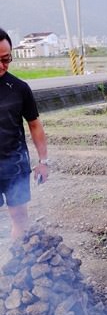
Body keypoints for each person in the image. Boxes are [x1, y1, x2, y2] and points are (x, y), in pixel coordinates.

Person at [0, 28, 49, 239]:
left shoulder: (19, 88)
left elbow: (35, 125)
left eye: (6, 59)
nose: (2, 66)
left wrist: (44, 161)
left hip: (15, 164)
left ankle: (18, 266)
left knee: (20, 217)